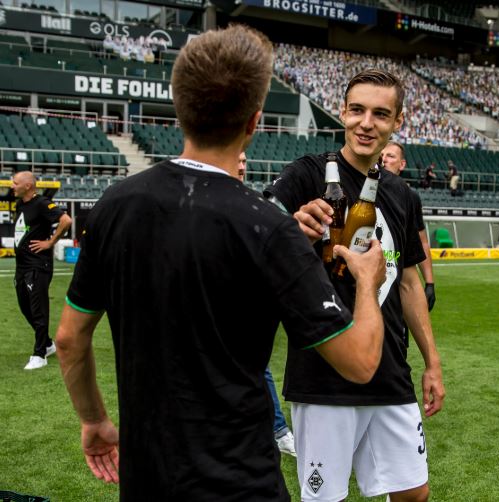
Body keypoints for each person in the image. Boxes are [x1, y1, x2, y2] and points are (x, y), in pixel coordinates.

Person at [55, 25, 387, 501]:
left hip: (148, 480)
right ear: (254, 122)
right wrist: (369, 280)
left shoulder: (113, 205)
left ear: (179, 109)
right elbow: (359, 363)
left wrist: (94, 421)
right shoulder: (268, 226)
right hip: (240, 483)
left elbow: (69, 339)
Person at [265, 69, 445, 502]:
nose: (367, 123)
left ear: (397, 121)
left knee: (413, 493)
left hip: (391, 372)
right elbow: (254, 241)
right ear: (343, 112)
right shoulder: (307, 175)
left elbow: (406, 281)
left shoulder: (403, 195)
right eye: (358, 110)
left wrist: (432, 363)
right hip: (323, 375)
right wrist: (291, 227)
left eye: (381, 114)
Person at [238, 151, 296, 457]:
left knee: (258, 364)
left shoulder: (253, 203)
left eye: (246, 160)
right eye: (238, 158)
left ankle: (277, 430)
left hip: (247, 300)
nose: (242, 164)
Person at [12, 170, 72, 370]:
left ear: (28, 186)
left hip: (38, 266)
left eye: (15, 183)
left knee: (38, 309)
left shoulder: (42, 203)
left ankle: (39, 355)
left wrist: (50, 242)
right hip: (21, 267)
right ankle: (47, 344)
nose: (12, 186)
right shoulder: (20, 204)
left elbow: (66, 220)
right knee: (24, 307)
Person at [380, 141, 436, 311]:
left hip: (399, 280)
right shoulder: (364, 189)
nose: (384, 160)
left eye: (390, 156)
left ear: (402, 164)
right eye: (381, 156)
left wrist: (429, 282)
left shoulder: (411, 197)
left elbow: (421, 240)